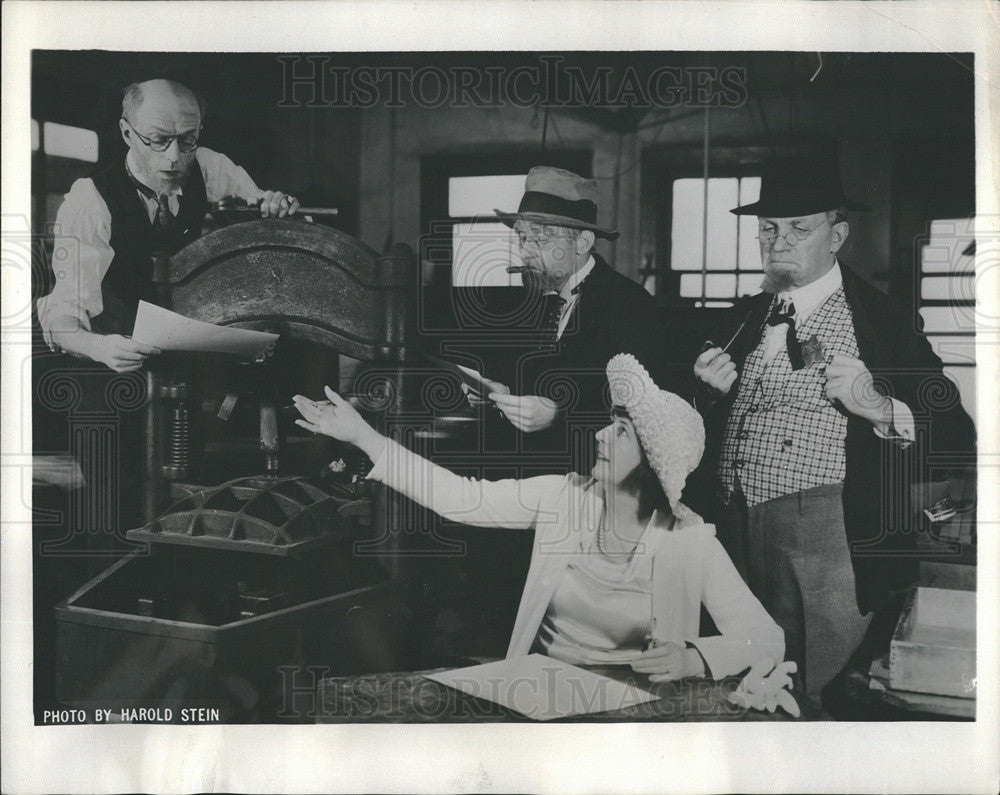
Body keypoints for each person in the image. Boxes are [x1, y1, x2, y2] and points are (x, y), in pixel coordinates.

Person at [295, 354, 791, 701]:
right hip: (538, 696)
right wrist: (362, 436)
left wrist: (694, 660)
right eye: (608, 421)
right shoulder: (562, 497)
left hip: (634, 714)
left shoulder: (690, 543)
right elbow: (461, 498)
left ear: (653, 465)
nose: (599, 433)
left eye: (620, 431)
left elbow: (767, 639)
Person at [689, 154, 975, 701]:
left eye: (800, 227)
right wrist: (705, 394)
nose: (780, 241)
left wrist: (879, 405)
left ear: (838, 235)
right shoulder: (743, 317)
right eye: (768, 229)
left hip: (822, 541)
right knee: (737, 685)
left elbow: (956, 431)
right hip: (728, 533)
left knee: (813, 691)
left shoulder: (882, 320)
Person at [36, 78, 301, 371]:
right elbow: (62, 314)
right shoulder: (90, 201)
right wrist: (98, 346)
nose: (174, 157)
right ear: (127, 133)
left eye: (188, 139)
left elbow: (260, 211)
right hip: (115, 363)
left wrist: (276, 207)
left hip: (190, 354)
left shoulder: (208, 166)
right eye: (158, 139)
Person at [465, 166, 684, 475]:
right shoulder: (534, 299)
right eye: (522, 238)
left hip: (595, 484)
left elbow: (644, 409)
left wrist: (559, 415)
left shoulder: (629, 304)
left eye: (539, 240)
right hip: (531, 478)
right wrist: (498, 391)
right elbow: (531, 378)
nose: (525, 253)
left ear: (582, 243)